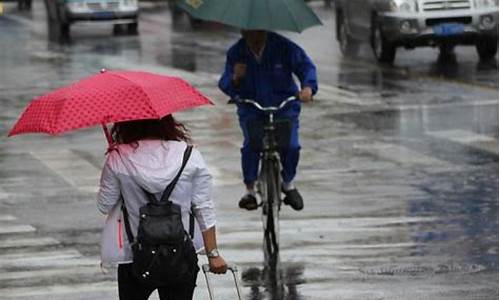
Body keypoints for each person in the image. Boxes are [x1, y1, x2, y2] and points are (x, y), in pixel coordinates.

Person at [97, 115, 227, 300]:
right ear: (167, 123)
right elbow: (203, 207)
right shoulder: (189, 156)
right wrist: (213, 254)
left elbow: (105, 205)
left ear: (125, 126)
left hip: (134, 256)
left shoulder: (118, 158)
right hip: (181, 253)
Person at [218, 30, 318, 211]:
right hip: (252, 108)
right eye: (250, 33)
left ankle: (288, 183)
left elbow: (306, 67)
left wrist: (308, 88)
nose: (255, 38)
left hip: (284, 107)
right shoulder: (236, 52)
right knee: (251, 145)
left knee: (291, 146)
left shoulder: (284, 47)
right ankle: (250, 190)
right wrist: (235, 78)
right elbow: (224, 83)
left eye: (259, 33)